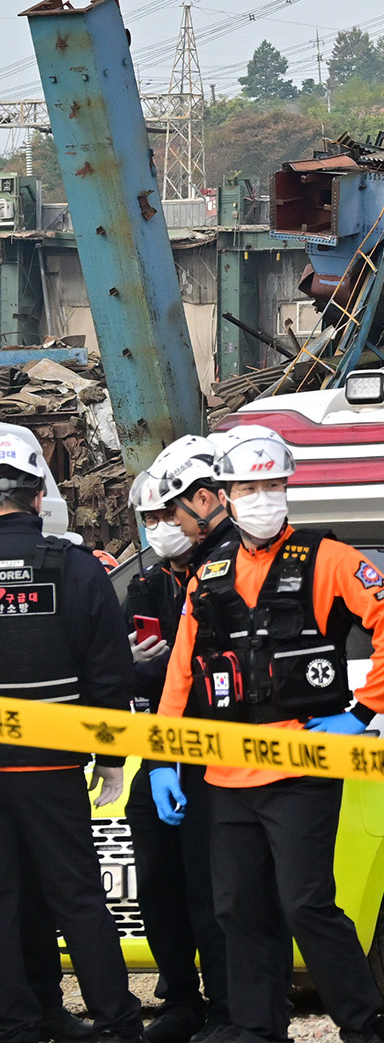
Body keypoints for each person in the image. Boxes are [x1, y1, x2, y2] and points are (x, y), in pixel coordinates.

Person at [156, 428, 384, 1043]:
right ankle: (257, 1028)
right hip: (225, 772)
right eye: (250, 487)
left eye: (273, 485)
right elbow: (181, 670)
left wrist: (361, 712)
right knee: (237, 909)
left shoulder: (326, 558)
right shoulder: (208, 574)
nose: (263, 497)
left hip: (299, 765)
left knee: (306, 904)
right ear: (226, 493)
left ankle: (362, 1027)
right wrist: (165, 757)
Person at [0, 432, 137, 1043]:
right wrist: (110, 757)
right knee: (78, 897)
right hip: (54, 765)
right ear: (36, 496)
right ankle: (116, 1023)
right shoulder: (76, 567)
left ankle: (20, 1023)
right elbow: (109, 671)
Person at [123, 440, 231, 1043]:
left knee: (209, 886)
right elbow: (125, 668)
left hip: (217, 751)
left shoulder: (225, 570)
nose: (161, 529)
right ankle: (180, 998)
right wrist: (130, 663)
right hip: (163, 749)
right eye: (151, 521)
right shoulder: (149, 585)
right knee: (157, 881)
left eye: (168, 517)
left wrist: (156, 671)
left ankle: (225, 1005)